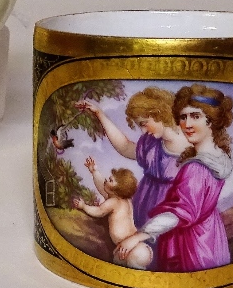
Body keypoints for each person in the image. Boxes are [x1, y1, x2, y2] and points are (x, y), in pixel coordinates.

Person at [115, 84, 233, 272]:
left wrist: (139, 236)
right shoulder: (217, 155)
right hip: (209, 234)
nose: (187, 124)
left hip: (191, 246)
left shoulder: (195, 168)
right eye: (183, 117)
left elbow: (179, 213)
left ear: (210, 121)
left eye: (196, 117)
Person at [76, 87, 191, 228]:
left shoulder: (190, 146)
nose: (143, 131)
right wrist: (100, 114)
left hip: (174, 221)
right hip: (144, 217)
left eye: (144, 124)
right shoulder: (151, 143)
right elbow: (124, 147)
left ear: (159, 114)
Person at [72, 156, 152, 270]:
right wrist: (94, 171)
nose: (106, 180)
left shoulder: (114, 202)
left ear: (118, 190)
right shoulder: (124, 200)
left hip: (136, 250)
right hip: (133, 247)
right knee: (117, 263)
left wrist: (83, 206)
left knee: (133, 266)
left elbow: (99, 211)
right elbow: (102, 187)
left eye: (110, 180)